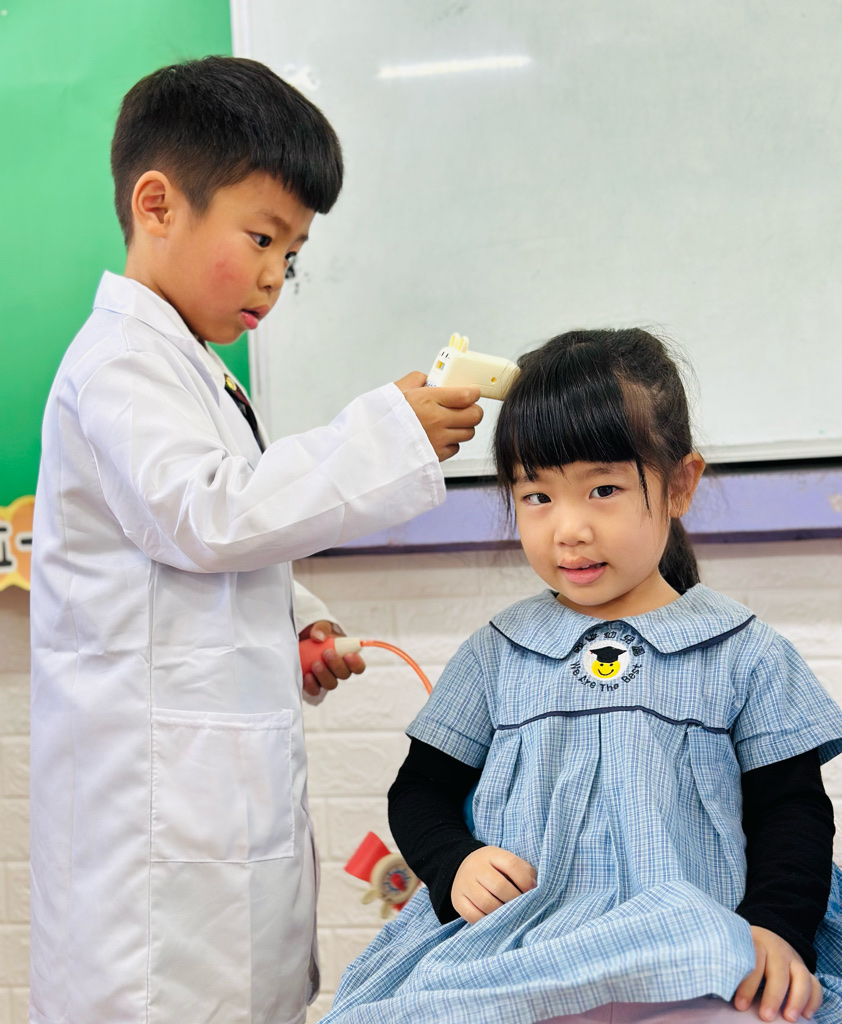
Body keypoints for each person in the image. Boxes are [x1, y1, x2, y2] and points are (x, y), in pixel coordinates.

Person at [28, 56, 483, 1024]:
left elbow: (208, 546)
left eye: (294, 253)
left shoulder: (191, 367)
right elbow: (206, 513)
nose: (277, 276)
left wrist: (295, 624)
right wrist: (385, 434)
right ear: (158, 205)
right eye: (263, 237)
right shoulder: (118, 363)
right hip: (151, 836)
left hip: (214, 808)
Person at [320, 329, 842, 1024]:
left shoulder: (744, 652)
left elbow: (792, 812)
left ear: (680, 484)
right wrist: (455, 864)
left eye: (603, 489)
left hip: (695, 949)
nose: (568, 529)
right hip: (520, 951)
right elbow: (421, 791)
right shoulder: (498, 653)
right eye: (537, 495)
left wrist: (777, 930)